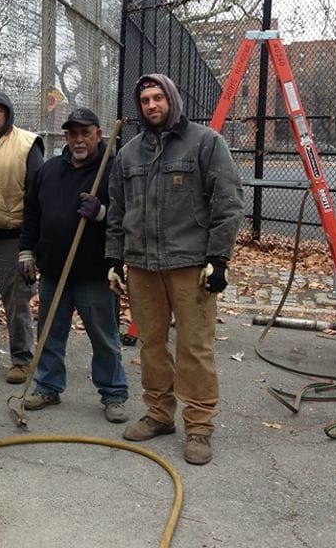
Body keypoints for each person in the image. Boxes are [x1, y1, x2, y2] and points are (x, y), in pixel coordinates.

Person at [105, 73, 243, 466]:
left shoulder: (205, 143)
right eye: (145, 100)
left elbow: (228, 203)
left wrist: (219, 260)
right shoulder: (128, 154)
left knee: (194, 346)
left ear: (172, 100)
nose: (151, 105)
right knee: (150, 344)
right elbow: (117, 210)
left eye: (157, 98)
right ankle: (159, 414)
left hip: (190, 265)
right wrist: (114, 258)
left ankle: (198, 426)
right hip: (143, 265)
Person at [18, 107, 129, 422]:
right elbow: (32, 214)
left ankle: (114, 393)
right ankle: (48, 386)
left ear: (98, 134)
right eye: (73, 133)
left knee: (104, 336)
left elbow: (130, 215)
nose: (79, 139)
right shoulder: (50, 170)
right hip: (54, 269)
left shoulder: (112, 170)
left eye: (85, 133)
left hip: (94, 272)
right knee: (50, 331)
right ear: (65, 136)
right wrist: (27, 251)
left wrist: (102, 214)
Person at [0, 91, 43, 384]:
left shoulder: (27, 144)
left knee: (16, 303)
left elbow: (37, 194)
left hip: (12, 237)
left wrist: (30, 245)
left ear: (8, 114)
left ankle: (21, 359)